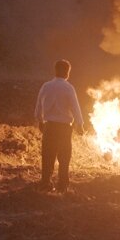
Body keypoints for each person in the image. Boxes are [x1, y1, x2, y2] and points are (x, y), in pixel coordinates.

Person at [34, 59, 85, 193]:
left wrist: (40, 121)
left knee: (47, 155)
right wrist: (79, 124)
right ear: (67, 72)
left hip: (49, 126)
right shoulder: (68, 88)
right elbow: (75, 107)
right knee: (64, 157)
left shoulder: (46, 86)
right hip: (64, 128)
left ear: (55, 70)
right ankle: (62, 185)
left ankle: (45, 183)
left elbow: (39, 105)